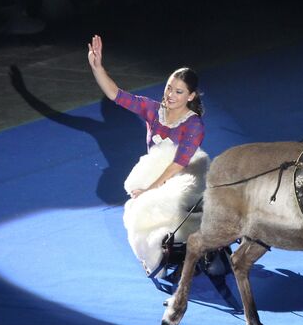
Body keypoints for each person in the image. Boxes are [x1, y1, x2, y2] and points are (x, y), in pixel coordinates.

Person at [87, 34, 214, 279]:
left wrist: (150, 190)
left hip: (184, 178)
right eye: (169, 88)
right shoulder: (154, 111)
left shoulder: (194, 125)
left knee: (146, 204)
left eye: (179, 91)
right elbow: (116, 94)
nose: (170, 95)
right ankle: (155, 255)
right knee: (137, 206)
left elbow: (179, 163)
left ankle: (182, 251)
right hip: (157, 175)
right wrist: (97, 67)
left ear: (191, 96)